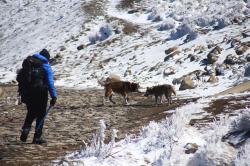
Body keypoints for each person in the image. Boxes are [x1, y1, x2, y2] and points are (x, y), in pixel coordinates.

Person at [17, 49, 57, 144]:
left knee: (31, 112)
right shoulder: (45, 64)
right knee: (41, 114)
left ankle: (26, 129)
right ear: (47, 57)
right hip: (41, 92)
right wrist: (53, 96)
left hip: (28, 92)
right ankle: (37, 137)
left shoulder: (30, 61)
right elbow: (50, 82)